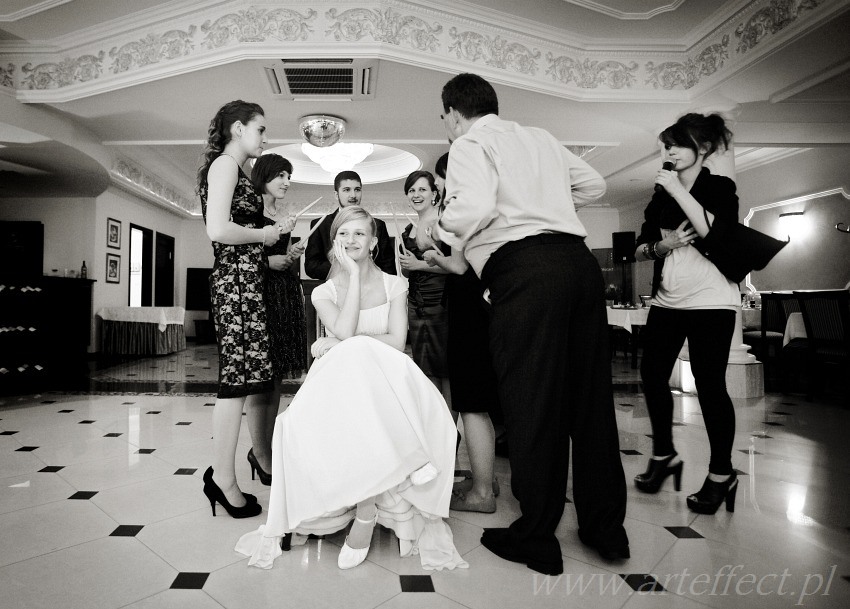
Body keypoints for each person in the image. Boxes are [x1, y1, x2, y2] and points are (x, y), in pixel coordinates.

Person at [432, 73, 629, 575]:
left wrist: (440, 224)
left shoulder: (470, 144)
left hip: (524, 272)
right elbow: (595, 184)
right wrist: (550, 210)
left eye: (445, 120)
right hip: (579, 265)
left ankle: (538, 536)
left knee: (532, 402)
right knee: (590, 401)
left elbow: (470, 208)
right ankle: (604, 528)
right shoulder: (538, 137)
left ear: (454, 114)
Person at [235, 206, 467, 572]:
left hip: (389, 375)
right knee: (352, 355)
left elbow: (396, 341)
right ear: (335, 242)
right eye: (343, 234)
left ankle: (366, 511)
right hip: (341, 378)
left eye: (359, 233)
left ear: (374, 241)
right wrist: (354, 279)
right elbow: (342, 332)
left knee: (356, 348)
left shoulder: (396, 284)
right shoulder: (323, 293)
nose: (351, 240)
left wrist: (346, 342)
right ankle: (387, 483)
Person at [633, 113, 741, 515]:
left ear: (704, 148)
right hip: (668, 298)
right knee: (652, 375)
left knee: (710, 385)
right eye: (666, 145)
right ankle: (664, 455)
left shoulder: (719, 187)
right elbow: (641, 248)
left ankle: (720, 473)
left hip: (711, 298)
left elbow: (713, 232)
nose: (669, 152)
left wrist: (677, 191)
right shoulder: (661, 194)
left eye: (677, 144)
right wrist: (663, 246)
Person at [198, 100, 287, 518]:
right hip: (235, 282)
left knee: (243, 382)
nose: (265, 138)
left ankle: (224, 477)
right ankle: (222, 479)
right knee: (235, 384)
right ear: (238, 128)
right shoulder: (225, 166)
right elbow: (217, 228)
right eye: (261, 129)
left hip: (245, 282)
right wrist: (264, 234)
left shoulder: (233, 170)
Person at [423, 153, 501, 514]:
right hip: (481, 307)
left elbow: (457, 264)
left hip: (469, 310)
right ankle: (485, 478)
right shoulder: (489, 202)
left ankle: (482, 492)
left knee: (471, 403)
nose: (440, 187)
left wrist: (432, 256)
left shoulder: (461, 207)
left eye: (440, 179)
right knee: (478, 401)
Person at [243, 153, 307, 485]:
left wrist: (291, 254)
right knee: (260, 381)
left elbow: (280, 258)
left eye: (289, 176)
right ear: (265, 175)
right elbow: (239, 257)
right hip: (261, 298)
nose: (286, 182)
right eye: (281, 175)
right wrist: (271, 262)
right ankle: (261, 454)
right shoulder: (249, 213)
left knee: (277, 379)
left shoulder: (279, 214)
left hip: (283, 296)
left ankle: (263, 449)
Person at [398, 170, 452, 405]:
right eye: (411, 190)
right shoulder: (407, 230)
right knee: (425, 367)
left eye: (422, 189)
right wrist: (409, 266)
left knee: (446, 367)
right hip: (416, 304)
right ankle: (434, 422)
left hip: (441, 301)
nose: (416, 194)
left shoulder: (443, 224)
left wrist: (418, 264)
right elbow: (407, 272)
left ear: (434, 194)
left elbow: (457, 267)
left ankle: (451, 431)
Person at [304, 170, 396, 279]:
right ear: (336, 194)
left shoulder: (378, 225)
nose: (353, 195)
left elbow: (389, 269)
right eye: (346, 190)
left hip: (371, 290)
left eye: (357, 190)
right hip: (334, 290)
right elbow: (311, 267)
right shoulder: (320, 225)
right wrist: (347, 267)